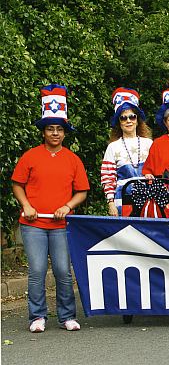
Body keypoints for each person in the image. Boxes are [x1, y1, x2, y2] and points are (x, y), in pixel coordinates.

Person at [11, 84, 90, 333]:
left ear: (65, 133)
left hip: (60, 224)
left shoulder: (72, 159)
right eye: (50, 128)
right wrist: (27, 205)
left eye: (59, 129)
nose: (55, 133)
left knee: (63, 271)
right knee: (36, 270)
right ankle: (37, 316)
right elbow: (17, 184)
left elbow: (82, 191)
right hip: (33, 224)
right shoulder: (30, 156)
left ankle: (67, 316)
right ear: (43, 132)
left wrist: (67, 206)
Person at [101, 88, 153, 216]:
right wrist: (110, 203)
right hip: (122, 199)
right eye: (123, 118)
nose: (128, 121)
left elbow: (157, 172)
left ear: (137, 119)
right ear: (119, 122)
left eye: (132, 117)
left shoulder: (149, 143)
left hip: (148, 198)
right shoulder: (113, 147)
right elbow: (108, 177)